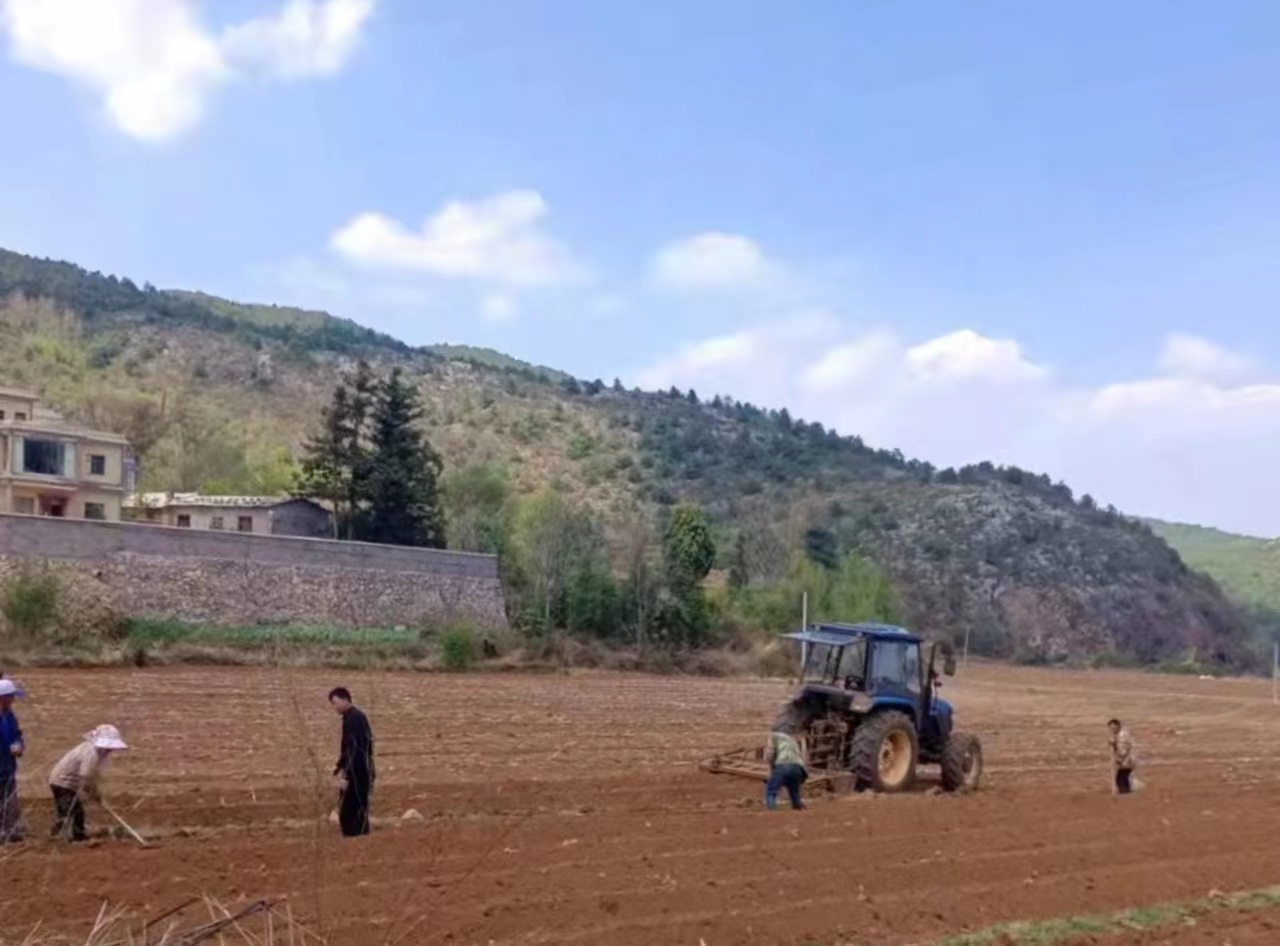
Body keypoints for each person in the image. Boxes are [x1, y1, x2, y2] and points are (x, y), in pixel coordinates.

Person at [49, 724, 129, 842]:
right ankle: (77, 837)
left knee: (67, 810)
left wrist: (95, 792)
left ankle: (59, 833)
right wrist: (93, 793)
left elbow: (91, 775)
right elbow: (86, 777)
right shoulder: (91, 753)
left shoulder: (95, 751)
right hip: (62, 782)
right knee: (76, 811)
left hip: (64, 782)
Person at [330, 687, 375, 837]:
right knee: (357, 811)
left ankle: (356, 844)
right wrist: (339, 766)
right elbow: (349, 748)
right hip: (360, 770)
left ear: (345, 699)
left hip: (359, 772)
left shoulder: (354, 719)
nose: (334, 707)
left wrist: (347, 775)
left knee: (349, 813)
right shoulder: (353, 717)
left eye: (335, 703)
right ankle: (360, 842)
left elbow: (355, 749)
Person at [0, 678, 26, 844]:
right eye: (11, 697)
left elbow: (17, 735)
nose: (13, 700)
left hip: (8, 767)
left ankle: (10, 831)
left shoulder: (9, 716)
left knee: (9, 800)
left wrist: (19, 745)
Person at [764, 720, 808, 811]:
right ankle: (798, 810)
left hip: (783, 765)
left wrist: (771, 768)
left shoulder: (773, 737)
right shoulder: (792, 739)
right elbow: (803, 755)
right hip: (798, 767)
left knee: (771, 791)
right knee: (794, 793)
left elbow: (770, 754)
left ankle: (771, 812)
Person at [1108, 718, 1138, 795]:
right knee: (1123, 777)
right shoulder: (1118, 735)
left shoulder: (1122, 735)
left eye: (1113, 727)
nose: (1112, 729)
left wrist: (1119, 759)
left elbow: (1123, 750)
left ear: (1118, 726)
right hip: (1128, 759)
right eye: (1111, 728)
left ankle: (1125, 793)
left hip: (1127, 760)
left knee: (1121, 778)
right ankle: (1126, 790)